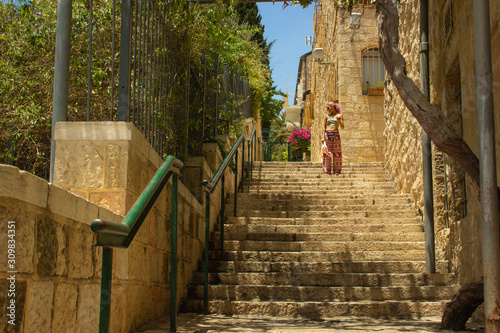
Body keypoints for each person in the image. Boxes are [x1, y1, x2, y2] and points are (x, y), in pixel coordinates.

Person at [321, 101, 344, 174]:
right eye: (327, 108)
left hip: (336, 134)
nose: (328, 109)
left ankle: (337, 170)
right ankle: (327, 170)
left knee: (337, 153)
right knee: (327, 152)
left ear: (333, 107)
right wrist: (322, 137)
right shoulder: (326, 116)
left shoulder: (339, 115)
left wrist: (339, 120)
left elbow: (342, 126)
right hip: (328, 134)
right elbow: (324, 127)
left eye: (329, 107)